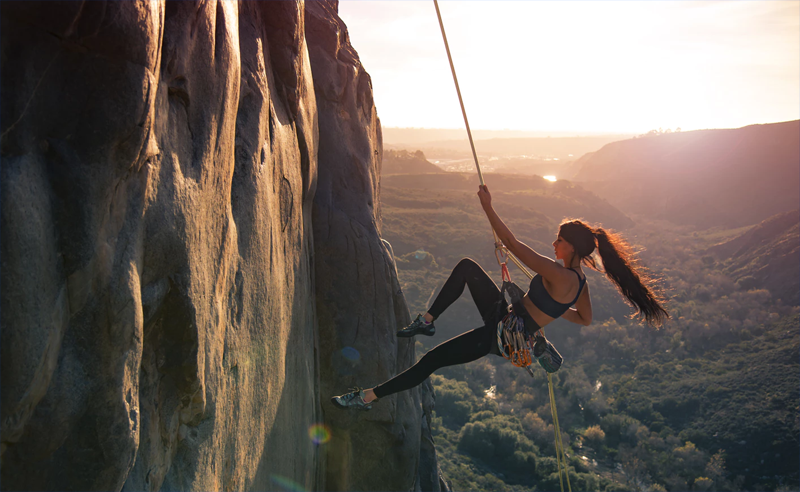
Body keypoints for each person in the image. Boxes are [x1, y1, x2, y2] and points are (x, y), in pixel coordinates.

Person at [332, 185, 668, 410]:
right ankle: (428, 321)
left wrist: (487, 207)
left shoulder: (560, 274)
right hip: (509, 316)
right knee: (467, 267)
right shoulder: (578, 284)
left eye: (559, 241)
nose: (554, 245)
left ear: (573, 247)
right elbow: (585, 319)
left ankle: (365, 398)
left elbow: (513, 242)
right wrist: (550, 314)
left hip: (502, 334)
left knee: (430, 361)